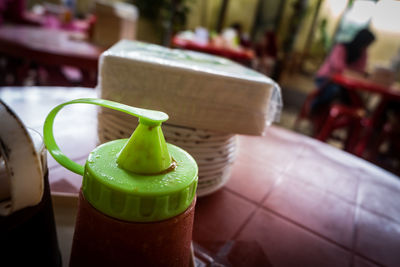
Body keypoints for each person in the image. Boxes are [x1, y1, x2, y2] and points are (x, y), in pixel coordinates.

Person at [311, 28, 376, 113]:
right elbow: (337, 66)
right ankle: (314, 109)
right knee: (334, 91)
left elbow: (361, 69)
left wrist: (355, 73)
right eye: (367, 43)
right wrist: (354, 73)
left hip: (346, 84)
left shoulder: (363, 53)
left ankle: (340, 117)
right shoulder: (341, 47)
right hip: (327, 78)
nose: (367, 46)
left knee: (355, 98)